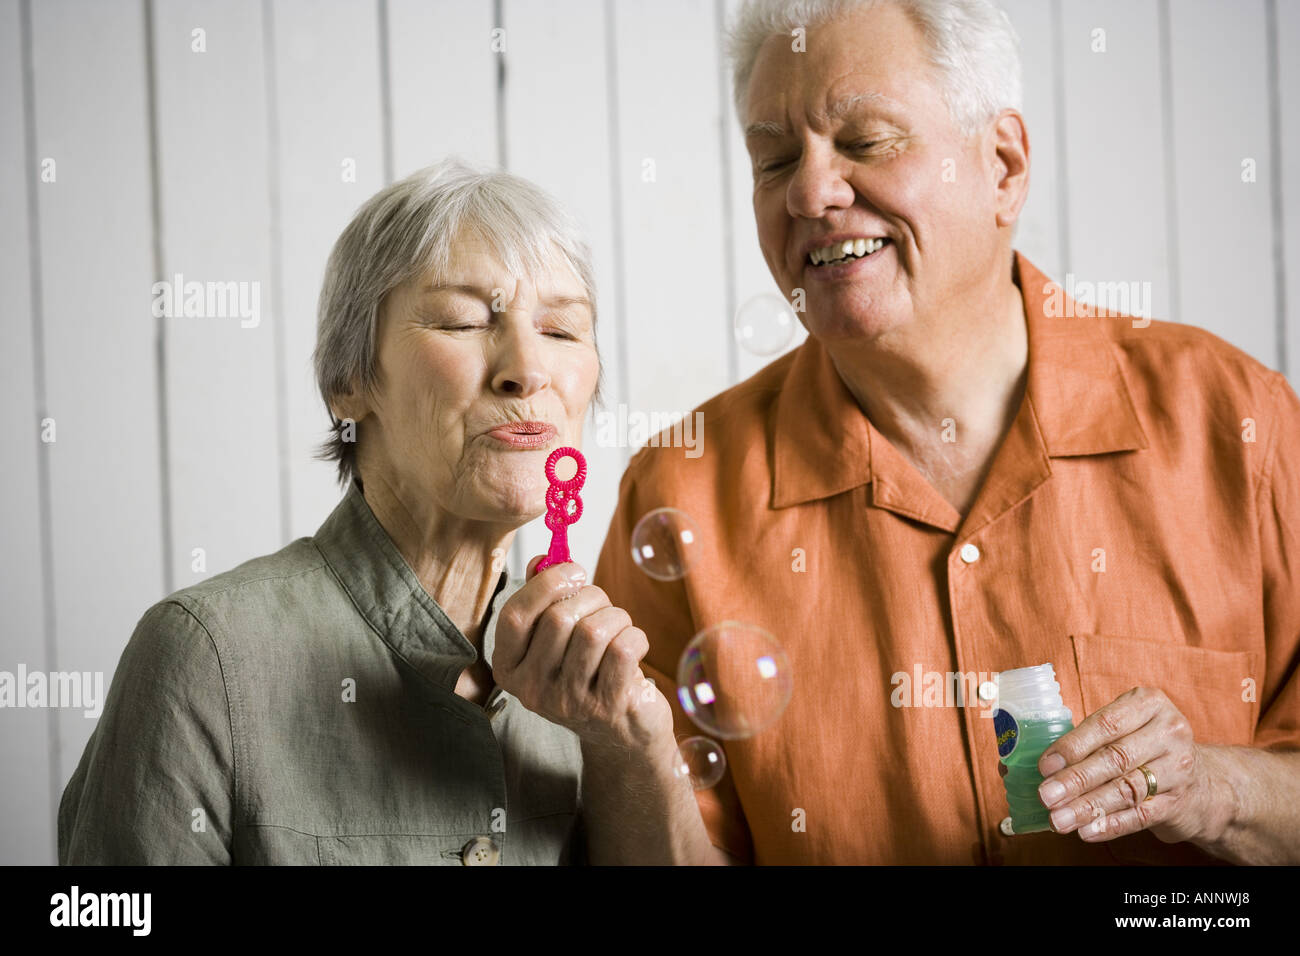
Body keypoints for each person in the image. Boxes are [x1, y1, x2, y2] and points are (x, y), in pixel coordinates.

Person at [590, 0, 1300, 864]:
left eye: (867, 141)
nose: (809, 193)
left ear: (1002, 166)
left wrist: (1218, 789)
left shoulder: (1239, 424)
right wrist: (611, 748)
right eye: (774, 158)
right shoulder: (680, 489)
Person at [58, 158, 669, 865]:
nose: (527, 370)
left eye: (562, 332)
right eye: (465, 320)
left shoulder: (595, 682)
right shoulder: (204, 657)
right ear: (348, 381)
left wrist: (630, 746)